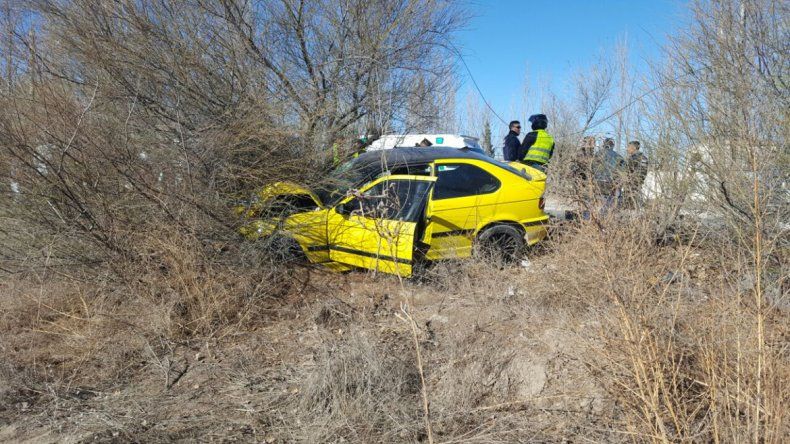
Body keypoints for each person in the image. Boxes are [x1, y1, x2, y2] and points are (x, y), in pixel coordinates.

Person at [592, 137, 625, 211]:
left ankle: (596, 217)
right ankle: (608, 217)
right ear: (613, 145)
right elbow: (623, 171)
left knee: (597, 201)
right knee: (611, 202)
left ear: (604, 144)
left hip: (597, 182)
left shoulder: (597, 155)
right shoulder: (618, 157)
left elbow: (591, 168)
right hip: (611, 183)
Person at [622, 140, 648, 208]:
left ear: (633, 148)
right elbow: (644, 173)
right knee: (637, 203)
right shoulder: (644, 158)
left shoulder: (633, 158)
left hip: (631, 185)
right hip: (639, 184)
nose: (627, 149)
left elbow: (627, 171)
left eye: (628, 147)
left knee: (629, 205)